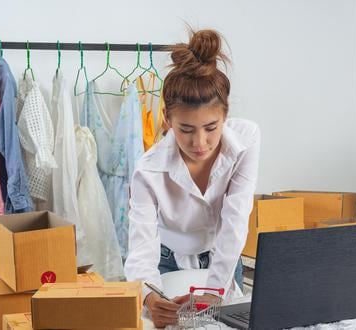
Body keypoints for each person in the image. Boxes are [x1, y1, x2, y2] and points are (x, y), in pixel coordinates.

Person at [124, 28, 260, 328]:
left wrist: (214, 291)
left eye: (211, 127)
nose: (200, 142)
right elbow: (140, 247)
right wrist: (149, 297)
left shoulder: (246, 141)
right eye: (186, 130)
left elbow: (235, 221)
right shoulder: (148, 170)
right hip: (167, 261)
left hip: (222, 257)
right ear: (167, 119)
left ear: (225, 116)